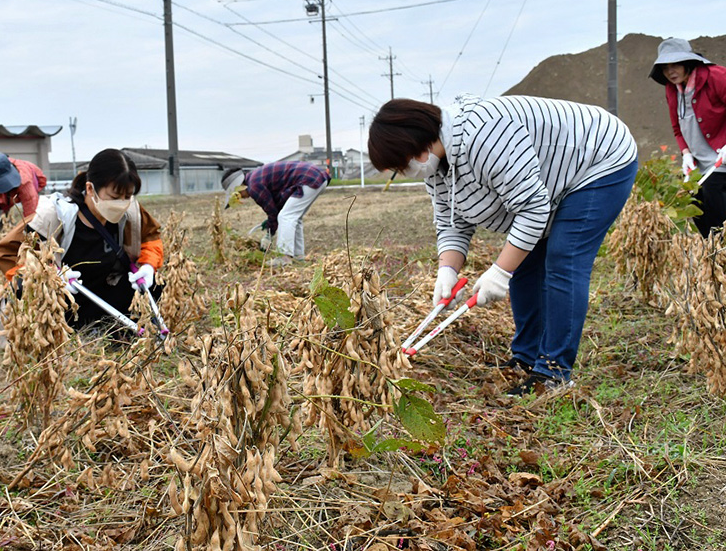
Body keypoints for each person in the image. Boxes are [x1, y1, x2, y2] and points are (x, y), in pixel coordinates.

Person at [368, 95, 638, 396]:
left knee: (564, 258)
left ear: (416, 146)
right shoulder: (438, 167)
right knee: (524, 262)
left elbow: (533, 208)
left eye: (400, 166)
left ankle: (553, 372)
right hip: (550, 179)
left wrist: (500, 272)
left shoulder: (483, 134)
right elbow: (451, 223)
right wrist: (447, 270)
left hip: (597, 159)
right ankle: (526, 357)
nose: (404, 173)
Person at [0, 148, 163, 329]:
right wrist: (49, 277)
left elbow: (150, 239)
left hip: (101, 295)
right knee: (23, 290)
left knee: (155, 285)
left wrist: (148, 265)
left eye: (127, 196)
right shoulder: (53, 215)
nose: (121, 203)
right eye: (114, 196)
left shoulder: (130, 213)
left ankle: (110, 331)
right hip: (62, 301)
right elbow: (8, 253)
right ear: (90, 188)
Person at [649, 37, 726, 237]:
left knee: (715, 204)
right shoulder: (672, 89)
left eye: (675, 65)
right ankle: (713, 255)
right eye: (665, 67)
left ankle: (720, 251)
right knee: (694, 205)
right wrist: (686, 154)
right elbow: (677, 127)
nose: (670, 71)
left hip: (721, 159)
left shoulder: (716, 76)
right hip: (700, 165)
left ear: (688, 62)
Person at [221, 161, 330, 267]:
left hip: (308, 178)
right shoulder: (255, 178)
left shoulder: (254, 186)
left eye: (237, 194)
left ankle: (284, 258)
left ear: (240, 186)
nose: (241, 197)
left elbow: (272, 212)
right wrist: (269, 223)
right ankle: (298, 256)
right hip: (316, 176)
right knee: (293, 217)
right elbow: (276, 207)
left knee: (286, 217)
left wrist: (269, 234)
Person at [0, 152, 47, 221]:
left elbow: (31, 213)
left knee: (25, 218)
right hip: (9, 194)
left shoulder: (25, 182)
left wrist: (27, 228)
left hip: (32, 185)